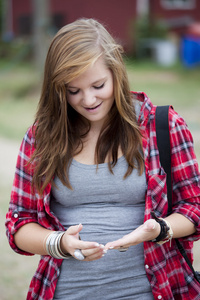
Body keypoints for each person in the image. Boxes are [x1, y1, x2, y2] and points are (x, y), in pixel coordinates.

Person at [5, 18, 200, 300]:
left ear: (116, 72)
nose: (88, 100)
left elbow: (194, 207)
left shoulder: (162, 126)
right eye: (73, 91)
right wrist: (58, 243)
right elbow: (18, 223)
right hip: (66, 292)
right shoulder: (41, 137)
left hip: (151, 290)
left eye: (98, 85)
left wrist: (159, 229)